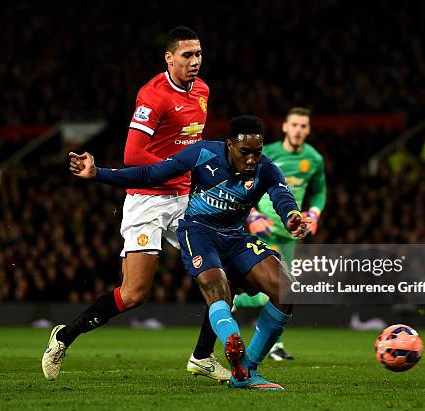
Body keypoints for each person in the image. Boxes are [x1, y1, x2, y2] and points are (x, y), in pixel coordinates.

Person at [41, 26, 229, 382]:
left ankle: (203, 356)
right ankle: (64, 336)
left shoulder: (203, 90)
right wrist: (170, 171)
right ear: (169, 57)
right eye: (187, 55)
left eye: (199, 54)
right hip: (148, 200)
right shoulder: (153, 96)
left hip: (187, 200)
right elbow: (132, 155)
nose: (195, 61)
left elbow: (192, 145)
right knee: (134, 294)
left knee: (221, 277)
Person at [68, 115, 310, 390]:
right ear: (229, 145)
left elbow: (282, 196)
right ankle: (232, 342)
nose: (252, 159)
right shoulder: (203, 153)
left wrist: (291, 216)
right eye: (245, 152)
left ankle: (246, 371)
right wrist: (98, 172)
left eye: (258, 152)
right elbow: (150, 175)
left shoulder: (265, 169)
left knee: (287, 290)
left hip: (234, 236)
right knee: (217, 288)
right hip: (198, 232)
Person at [191, 107, 327, 362]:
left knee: (282, 290)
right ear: (285, 127)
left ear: (308, 130)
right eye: (294, 125)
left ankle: (238, 313)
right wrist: (253, 216)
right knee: (268, 285)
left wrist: (315, 213)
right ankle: (228, 317)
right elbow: (239, 186)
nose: (298, 130)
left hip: (289, 232)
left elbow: (319, 191)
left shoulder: (314, 159)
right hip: (261, 228)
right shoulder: (265, 152)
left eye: (303, 126)